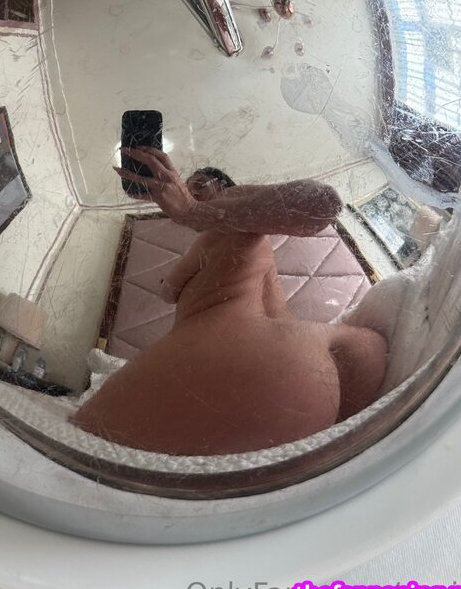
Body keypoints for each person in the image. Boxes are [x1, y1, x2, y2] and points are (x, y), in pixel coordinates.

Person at [71, 148, 388, 455]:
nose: (190, 191)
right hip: (327, 353)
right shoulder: (247, 228)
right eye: (187, 186)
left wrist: (192, 213)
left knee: (77, 445)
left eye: (198, 184)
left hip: (239, 352)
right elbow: (320, 205)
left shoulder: (223, 217)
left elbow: (323, 203)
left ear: (222, 186)